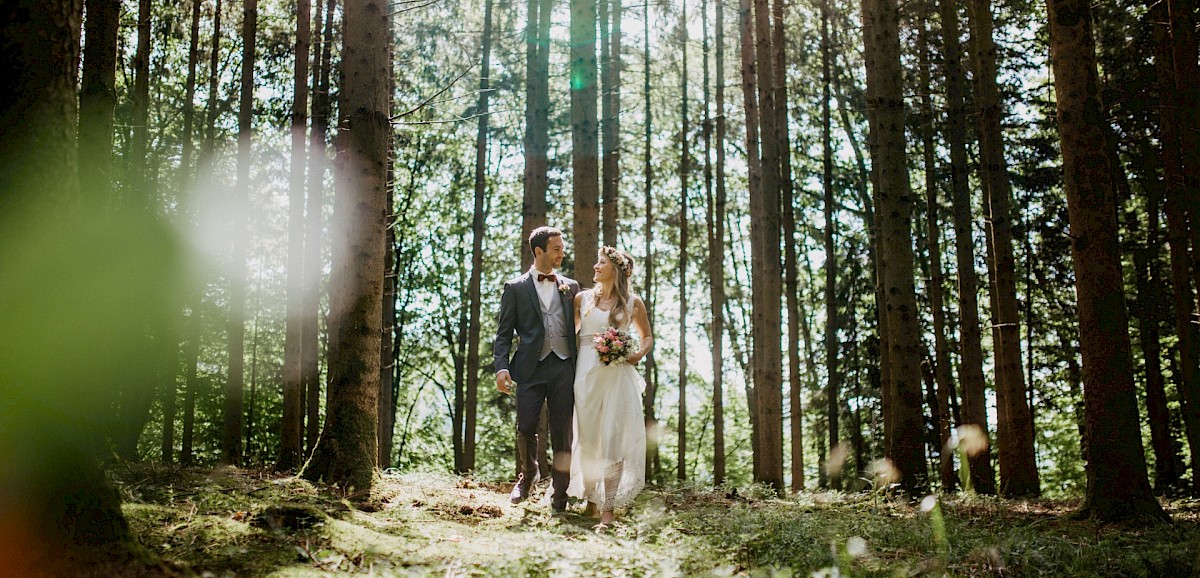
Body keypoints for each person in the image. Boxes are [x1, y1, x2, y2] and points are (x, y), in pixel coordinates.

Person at [494, 226, 581, 511]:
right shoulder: (515, 288)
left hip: (565, 366)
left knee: (562, 431)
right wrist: (502, 368)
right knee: (527, 426)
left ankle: (560, 492)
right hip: (530, 367)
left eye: (562, 248)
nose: (562, 253)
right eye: (556, 248)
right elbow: (504, 333)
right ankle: (528, 476)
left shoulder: (572, 287)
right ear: (539, 251)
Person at [568, 246, 654, 526]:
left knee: (613, 438)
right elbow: (569, 334)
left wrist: (636, 354)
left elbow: (647, 337)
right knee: (589, 437)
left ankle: (608, 509)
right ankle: (591, 500)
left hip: (618, 376)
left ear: (615, 270)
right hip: (586, 375)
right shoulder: (582, 299)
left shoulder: (632, 303)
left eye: (601, 263)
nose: (595, 266)